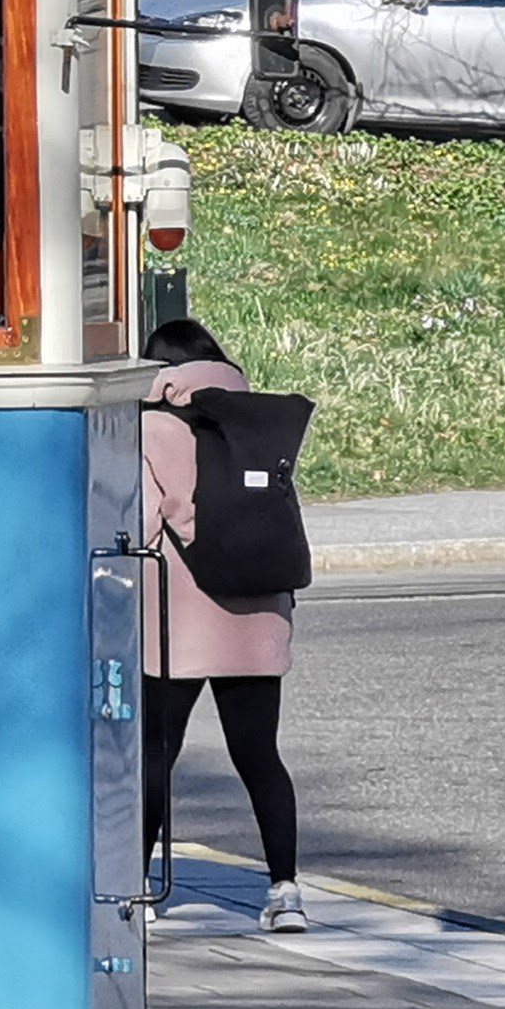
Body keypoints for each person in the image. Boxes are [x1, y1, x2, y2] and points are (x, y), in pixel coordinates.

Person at [139, 313, 306, 933]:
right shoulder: (260, 422)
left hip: (179, 621)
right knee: (260, 754)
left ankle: (138, 891)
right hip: (260, 615)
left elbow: (144, 526)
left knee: (156, 753)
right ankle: (285, 892)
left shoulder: (153, 425)